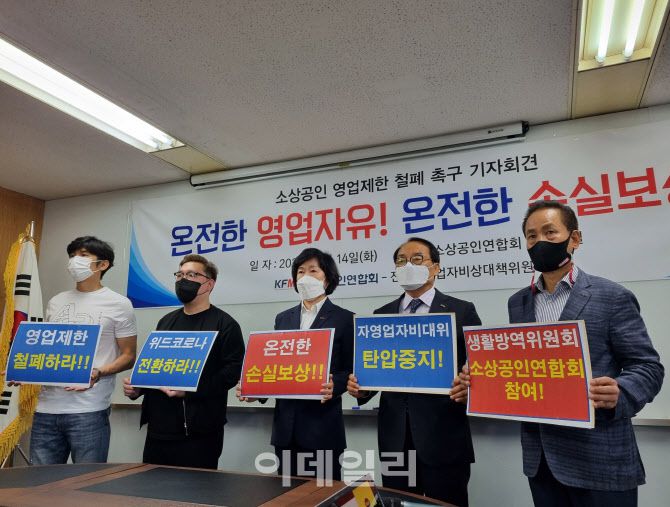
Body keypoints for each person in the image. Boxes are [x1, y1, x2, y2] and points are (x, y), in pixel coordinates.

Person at [453, 200, 664, 507]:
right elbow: (523, 369)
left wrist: (621, 391)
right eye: (531, 236)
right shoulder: (519, 302)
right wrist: (479, 379)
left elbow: (647, 367)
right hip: (542, 461)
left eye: (550, 232)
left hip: (600, 458)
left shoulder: (611, 296)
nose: (540, 241)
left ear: (574, 239)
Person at [347, 237, 481, 507]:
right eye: (401, 261)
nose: (408, 265)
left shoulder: (462, 311)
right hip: (395, 437)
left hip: (444, 436)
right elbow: (376, 372)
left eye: (417, 259)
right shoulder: (381, 314)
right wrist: (360, 388)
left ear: (436, 267)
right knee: (397, 503)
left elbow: (480, 372)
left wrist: (470, 388)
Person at [238, 248, 354, 481]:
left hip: (322, 429)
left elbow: (352, 369)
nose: (305, 277)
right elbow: (276, 366)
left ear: (327, 278)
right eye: (300, 271)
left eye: (313, 271)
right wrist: (255, 390)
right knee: (287, 494)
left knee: (322, 493)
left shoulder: (345, 318)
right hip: (286, 429)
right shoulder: (283, 318)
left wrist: (337, 384)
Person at [123, 254, 244, 469]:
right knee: (151, 487)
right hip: (158, 429)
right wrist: (138, 388)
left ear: (209, 284)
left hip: (199, 431)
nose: (182, 280)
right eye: (179, 275)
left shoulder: (225, 324)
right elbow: (157, 368)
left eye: (191, 275)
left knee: (196, 488)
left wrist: (189, 391)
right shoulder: (166, 321)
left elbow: (231, 373)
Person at [29, 236, 137, 464]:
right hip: (46, 408)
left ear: (103, 264)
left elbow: (128, 355)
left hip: (89, 408)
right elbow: (47, 349)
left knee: (87, 480)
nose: (74, 261)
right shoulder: (56, 301)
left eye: (84, 255)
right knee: (40, 481)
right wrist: (24, 370)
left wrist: (99, 372)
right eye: (72, 256)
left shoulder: (119, 303)